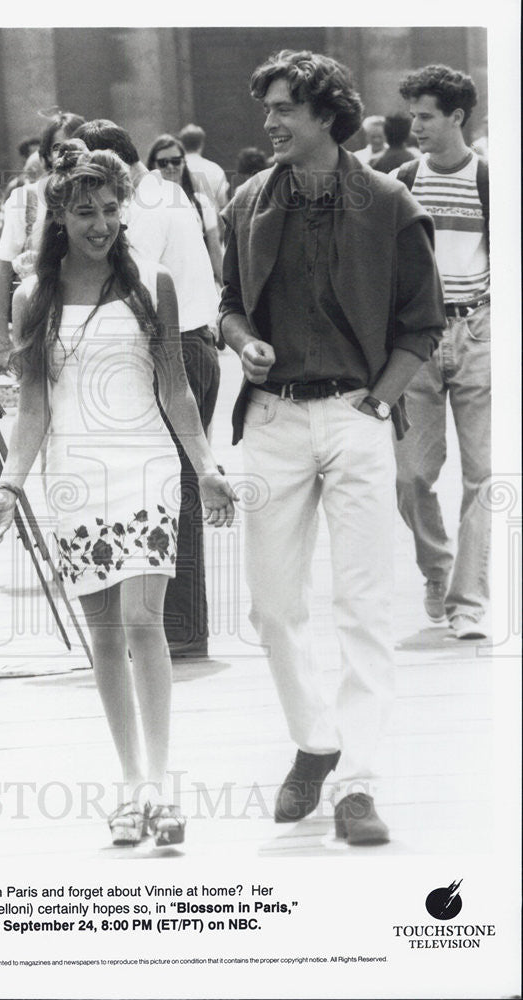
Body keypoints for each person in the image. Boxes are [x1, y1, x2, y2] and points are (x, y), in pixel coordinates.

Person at [0, 141, 236, 847]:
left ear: (125, 211)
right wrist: (6, 485)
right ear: (59, 213)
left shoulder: (154, 282)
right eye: (84, 211)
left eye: (111, 211)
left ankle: (162, 784)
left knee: (144, 623)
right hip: (74, 480)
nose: (99, 224)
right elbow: (32, 408)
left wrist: (205, 464)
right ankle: (129, 785)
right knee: (105, 632)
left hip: (147, 468)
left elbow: (175, 388)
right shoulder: (33, 297)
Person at [219, 50, 445, 845]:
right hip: (275, 422)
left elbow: (424, 320)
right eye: (268, 109)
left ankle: (359, 784)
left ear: (327, 115)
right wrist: (241, 341)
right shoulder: (247, 200)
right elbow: (229, 306)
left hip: (356, 414)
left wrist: (380, 399)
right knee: (272, 607)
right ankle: (317, 740)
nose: (272, 123)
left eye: (286, 108)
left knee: (364, 604)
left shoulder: (387, 203)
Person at [76, 119, 221, 660]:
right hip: (195, 346)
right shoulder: (170, 191)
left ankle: (178, 633)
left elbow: (130, 280)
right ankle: (184, 630)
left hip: (173, 350)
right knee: (178, 493)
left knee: (169, 496)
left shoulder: (140, 209)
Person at [392, 65, 491, 640]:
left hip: (480, 333)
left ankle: (468, 602)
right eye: (413, 115)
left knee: (485, 474)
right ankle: (437, 571)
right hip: (418, 344)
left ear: (456, 117)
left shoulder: (492, 181)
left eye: (426, 115)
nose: (416, 125)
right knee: (411, 476)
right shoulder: (403, 180)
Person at [0, 112, 85, 372]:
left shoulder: (104, 199)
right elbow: (3, 270)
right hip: (39, 322)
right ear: (46, 155)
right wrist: (3, 342)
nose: (67, 154)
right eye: (58, 147)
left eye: (75, 143)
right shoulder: (26, 200)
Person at [147, 133, 223, 284]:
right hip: (162, 290)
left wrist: (227, 291)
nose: (170, 167)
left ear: (183, 163)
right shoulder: (146, 207)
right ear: (153, 166)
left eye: (175, 161)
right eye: (163, 163)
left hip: (198, 288)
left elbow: (215, 252)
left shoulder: (202, 204)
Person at [177, 123, 229, 212]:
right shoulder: (215, 169)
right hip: (212, 219)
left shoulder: (176, 169)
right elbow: (222, 202)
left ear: (181, 144)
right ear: (201, 144)